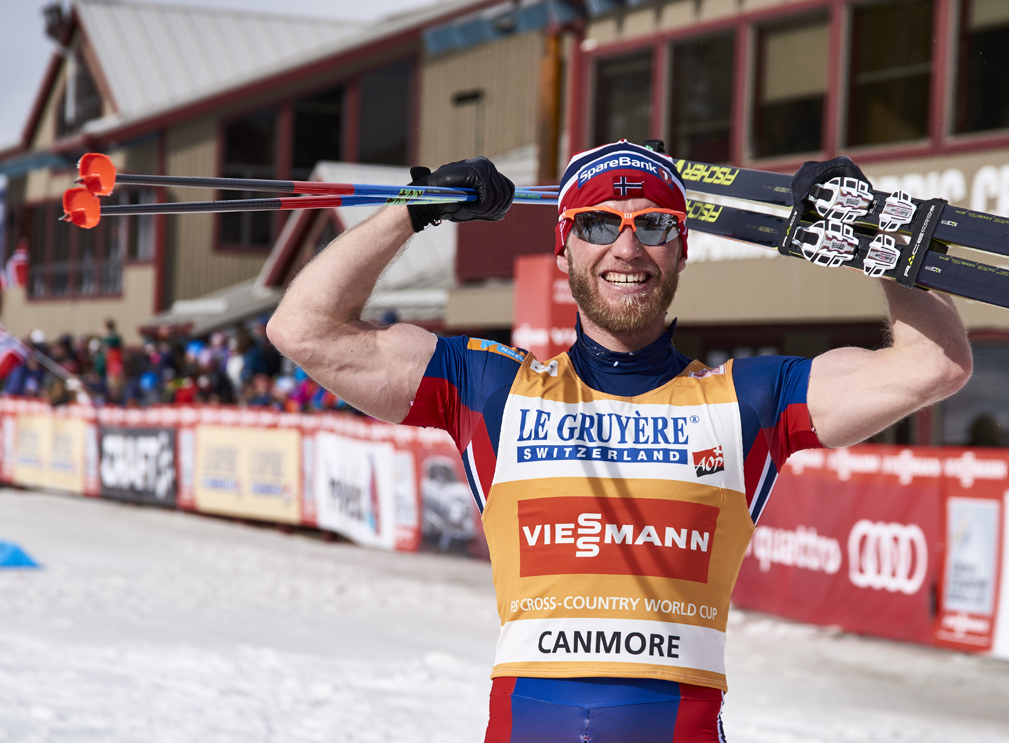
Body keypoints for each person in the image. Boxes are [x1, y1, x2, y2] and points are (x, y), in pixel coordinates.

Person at [268, 141, 972, 740]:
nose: (627, 248)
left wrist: (874, 237)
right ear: (565, 244)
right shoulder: (492, 389)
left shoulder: (750, 400)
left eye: (654, 225)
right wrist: (410, 211)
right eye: (600, 224)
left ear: (682, 248)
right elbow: (303, 328)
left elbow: (933, 365)